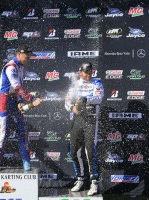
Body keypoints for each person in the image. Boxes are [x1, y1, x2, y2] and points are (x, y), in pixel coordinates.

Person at [0, 44, 41, 172]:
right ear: (18, 54)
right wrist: (31, 99)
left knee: (22, 131)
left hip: (14, 100)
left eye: (29, 56)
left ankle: (26, 161)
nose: (28, 59)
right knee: (2, 133)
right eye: (26, 56)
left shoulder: (21, 67)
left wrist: (19, 101)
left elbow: (18, 90)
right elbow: (17, 86)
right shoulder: (11, 67)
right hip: (4, 100)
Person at [64, 63, 104, 196]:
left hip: (91, 119)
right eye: (86, 72)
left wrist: (86, 99)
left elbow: (99, 98)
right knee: (73, 150)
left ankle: (94, 182)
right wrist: (72, 108)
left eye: (91, 72)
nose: (89, 74)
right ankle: (80, 178)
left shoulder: (97, 82)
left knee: (89, 150)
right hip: (77, 120)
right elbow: (67, 102)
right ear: (80, 72)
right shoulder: (75, 84)